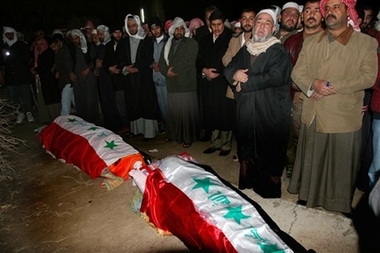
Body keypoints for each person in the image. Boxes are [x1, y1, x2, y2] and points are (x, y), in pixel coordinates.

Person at [287, 0, 378, 215]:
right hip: (314, 111)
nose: (329, 12)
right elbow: (297, 73)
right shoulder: (311, 43)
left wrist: (331, 86)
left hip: (343, 114)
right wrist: (313, 84)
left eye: (336, 7)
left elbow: (368, 77)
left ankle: (337, 203)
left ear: (348, 11)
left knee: (340, 162)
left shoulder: (365, 43)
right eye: (326, 8)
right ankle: (308, 196)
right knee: (313, 158)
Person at [224, 9, 293, 197]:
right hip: (247, 111)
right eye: (259, 22)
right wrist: (234, 75)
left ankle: (268, 190)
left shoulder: (278, 50)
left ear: (273, 28)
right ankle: (249, 183)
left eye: (267, 23)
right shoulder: (246, 47)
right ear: (253, 26)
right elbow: (230, 67)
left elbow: (275, 77)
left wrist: (243, 84)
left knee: (268, 150)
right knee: (247, 146)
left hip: (270, 112)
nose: (262, 26)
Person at [283, 0, 324, 180]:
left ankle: (310, 175)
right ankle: (292, 167)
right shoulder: (291, 41)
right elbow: (283, 70)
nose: (312, 14)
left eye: (317, 10)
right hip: (294, 97)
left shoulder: (330, 39)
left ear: (322, 15)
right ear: (302, 16)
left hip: (319, 99)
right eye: (308, 10)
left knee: (313, 141)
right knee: (292, 136)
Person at [197, 9, 234, 156]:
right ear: (209, 24)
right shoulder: (204, 40)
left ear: (224, 23)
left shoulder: (231, 37)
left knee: (224, 114)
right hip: (208, 83)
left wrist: (217, 73)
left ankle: (226, 144)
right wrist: (204, 71)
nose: (217, 28)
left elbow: (231, 59)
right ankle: (214, 143)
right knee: (211, 113)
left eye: (219, 24)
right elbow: (199, 59)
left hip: (223, 82)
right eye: (213, 25)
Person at [158, 17, 200, 148]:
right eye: (177, 28)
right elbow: (161, 62)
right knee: (174, 112)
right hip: (172, 84)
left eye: (182, 28)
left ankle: (188, 138)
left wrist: (172, 70)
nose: (179, 31)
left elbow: (189, 62)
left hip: (186, 84)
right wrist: (166, 71)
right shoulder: (167, 44)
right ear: (172, 30)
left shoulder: (191, 43)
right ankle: (175, 135)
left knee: (186, 113)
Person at [116, 14, 159, 140]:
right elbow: (119, 58)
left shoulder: (146, 39)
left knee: (146, 103)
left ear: (138, 25)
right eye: (129, 26)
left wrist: (137, 67)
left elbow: (148, 57)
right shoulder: (123, 42)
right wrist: (126, 68)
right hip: (130, 78)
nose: (131, 28)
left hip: (144, 77)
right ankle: (136, 130)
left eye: (134, 25)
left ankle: (149, 132)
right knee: (133, 104)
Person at [2, 26, 34, 123]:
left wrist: (13, 55)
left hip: (22, 75)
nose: (10, 36)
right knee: (13, 98)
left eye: (12, 34)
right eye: (8, 34)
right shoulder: (3, 47)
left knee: (26, 95)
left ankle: (29, 112)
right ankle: (19, 113)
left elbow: (26, 58)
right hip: (10, 77)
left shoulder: (21, 45)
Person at [67, 29, 99, 123]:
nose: (75, 41)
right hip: (77, 77)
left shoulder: (89, 46)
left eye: (76, 38)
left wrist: (88, 69)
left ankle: (92, 121)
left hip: (88, 75)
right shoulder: (71, 48)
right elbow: (68, 61)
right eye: (73, 39)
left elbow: (93, 59)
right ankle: (82, 121)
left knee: (90, 98)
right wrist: (71, 73)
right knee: (79, 99)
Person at [94, 24, 120, 131]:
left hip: (111, 77)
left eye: (102, 34)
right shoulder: (99, 47)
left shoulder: (110, 45)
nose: (100, 36)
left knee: (113, 101)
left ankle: (117, 124)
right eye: (99, 34)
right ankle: (108, 124)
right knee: (105, 101)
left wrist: (103, 64)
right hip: (102, 78)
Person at [30, 37, 61, 123]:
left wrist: (36, 70)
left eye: (41, 44)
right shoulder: (38, 54)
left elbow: (46, 67)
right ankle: (47, 119)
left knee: (52, 99)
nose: (39, 46)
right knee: (44, 99)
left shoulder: (48, 53)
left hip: (49, 81)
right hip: (42, 81)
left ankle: (56, 119)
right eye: (37, 44)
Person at [149, 17, 168, 134]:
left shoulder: (169, 40)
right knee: (161, 105)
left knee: (169, 104)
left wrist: (162, 66)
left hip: (167, 77)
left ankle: (172, 126)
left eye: (157, 28)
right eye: (153, 29)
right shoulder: (149, 42)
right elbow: (147, 57)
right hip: (156, 78)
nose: (155, 31)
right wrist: (152, 64)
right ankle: (165, 125)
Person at [48, 33, 76, 116]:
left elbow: (68, 63)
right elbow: (59, 63)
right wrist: (57, 70)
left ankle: (64, 117)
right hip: (64, 77)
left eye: (54, 46)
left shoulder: (65, 50)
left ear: (59, 42)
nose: (53, 49)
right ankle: (82, 112)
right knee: (72, 97)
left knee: (65, 98)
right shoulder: (59, 51)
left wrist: (71, 73)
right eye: (51, 48)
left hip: (68, 78)